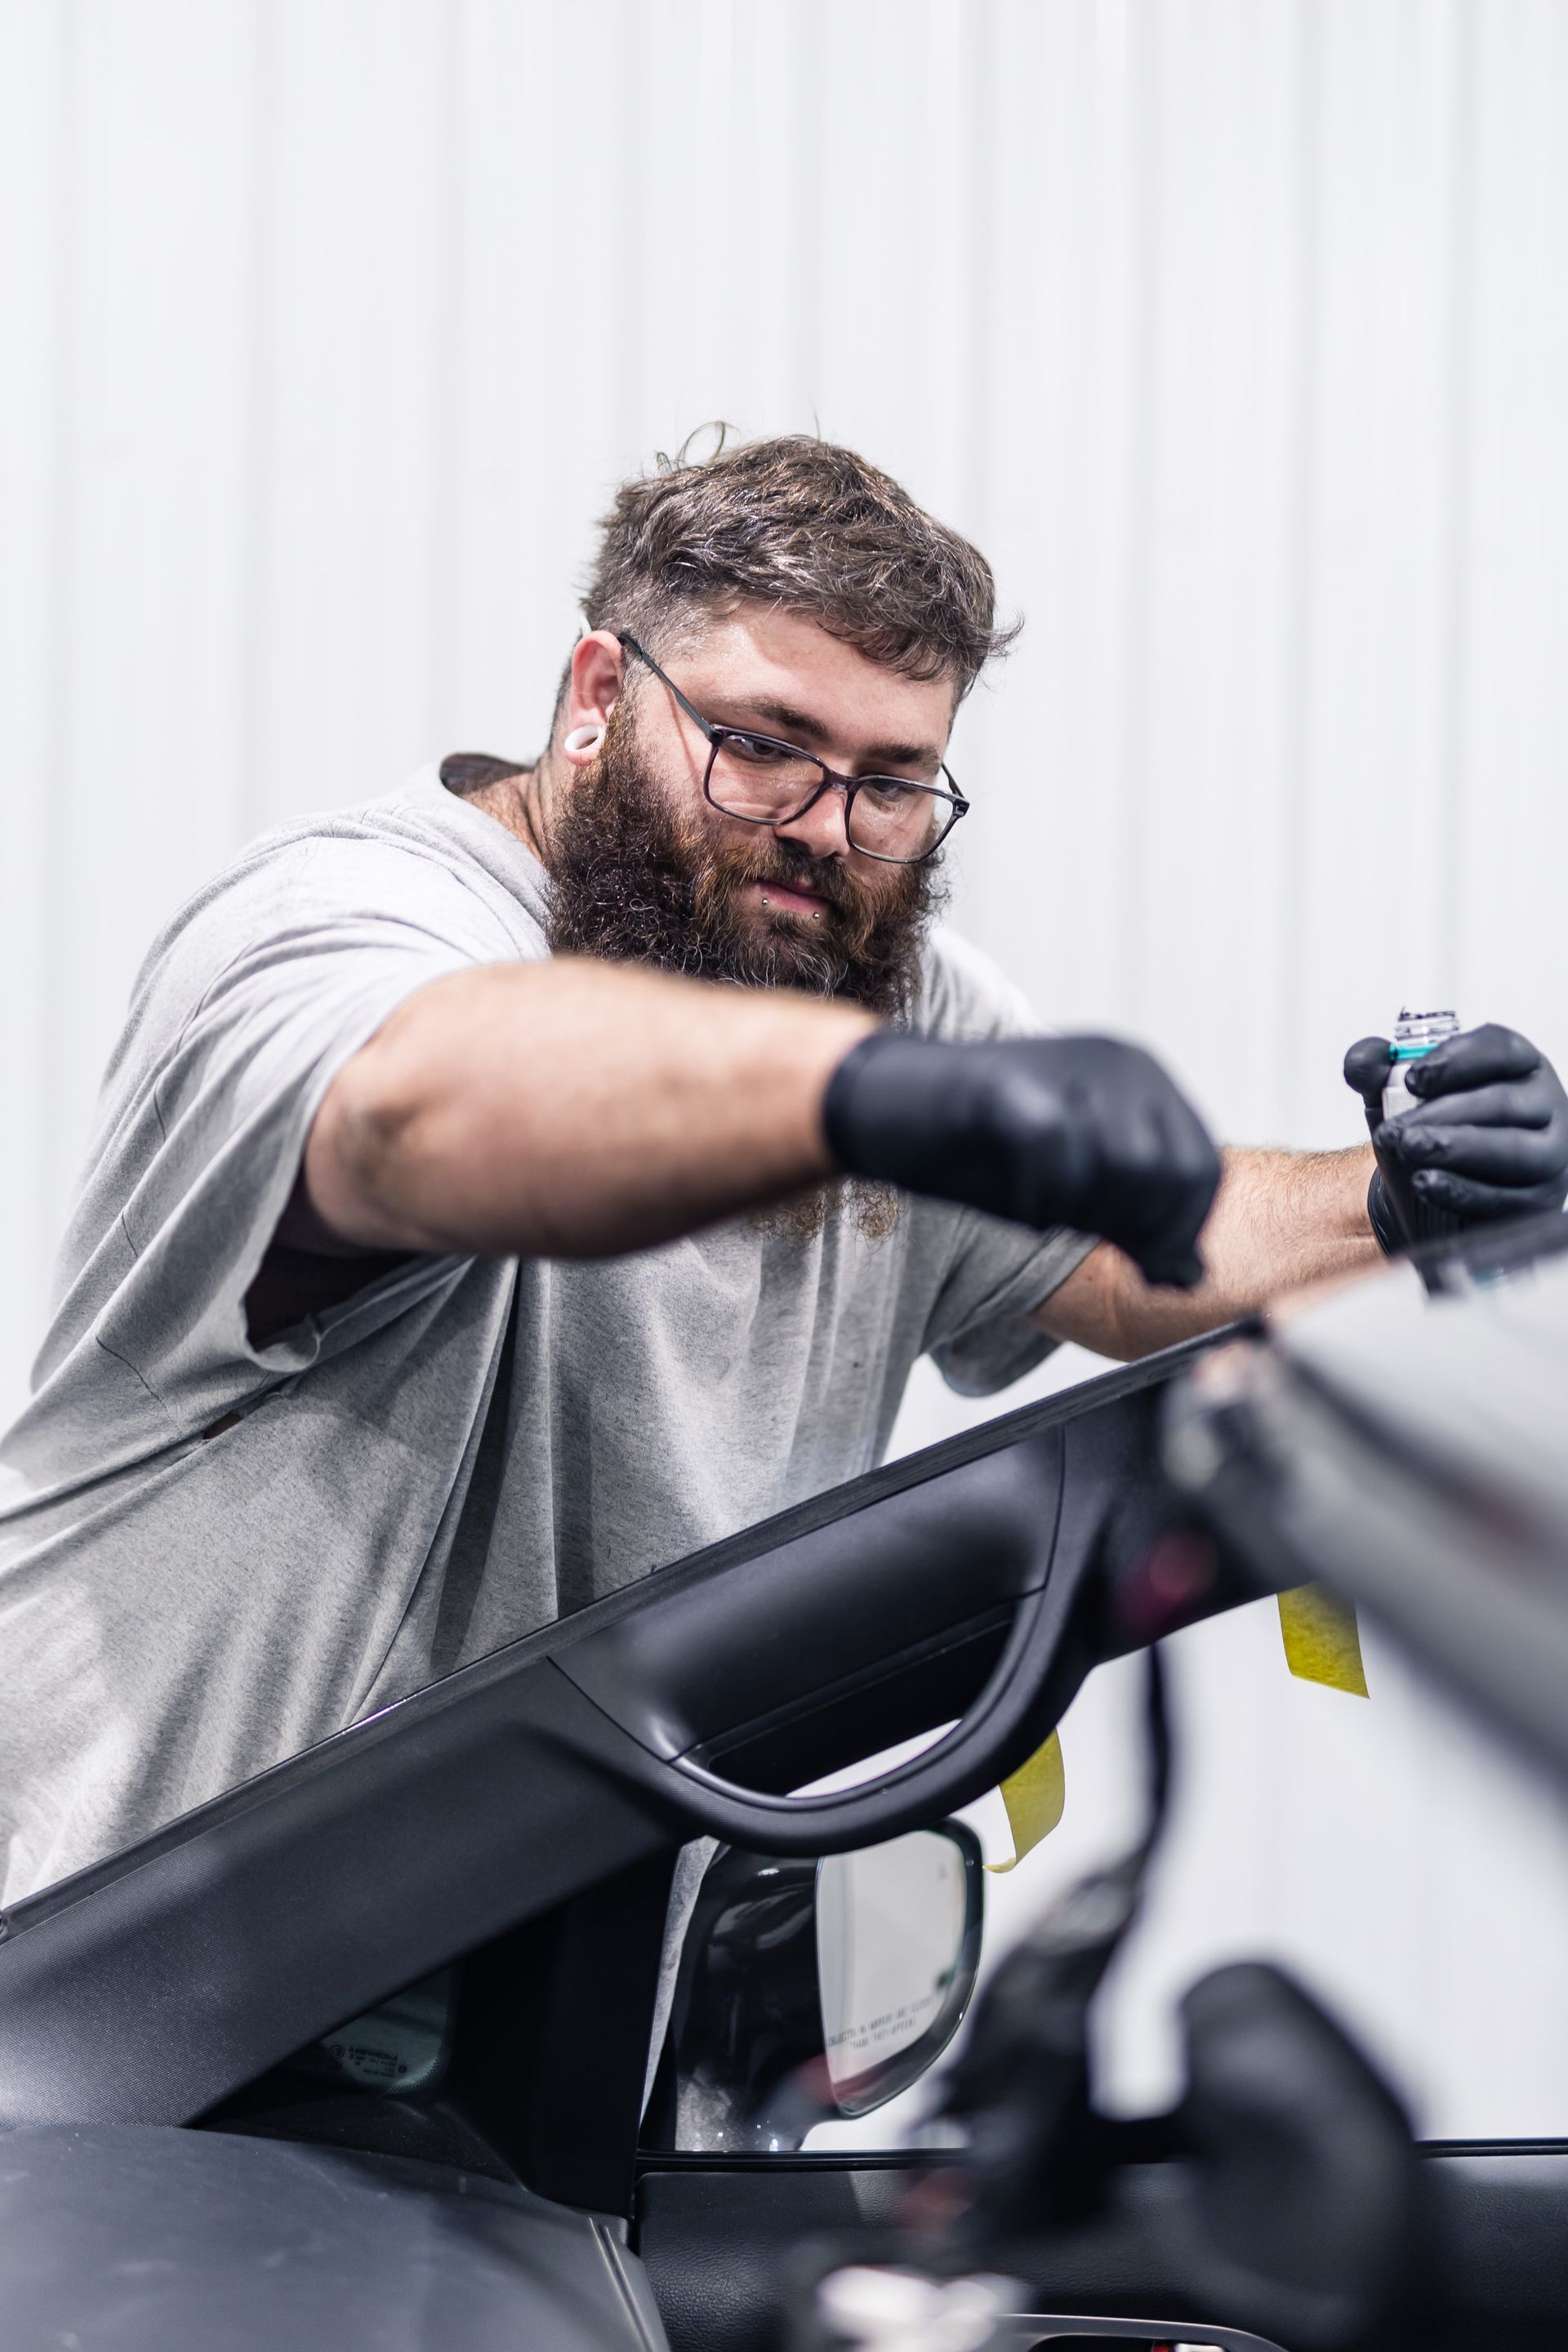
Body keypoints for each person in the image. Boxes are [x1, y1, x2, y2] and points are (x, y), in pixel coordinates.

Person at [2, 434, 1564, 1909]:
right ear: (599, 692)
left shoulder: (873, 991)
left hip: (558, 2014)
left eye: (892, 781)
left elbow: (1139, 1246)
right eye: (763, 747)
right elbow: (419, 1109)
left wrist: (1399, 1205)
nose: (825, 828)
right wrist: (871, 1099)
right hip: (144, 2006)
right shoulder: (349, 917)